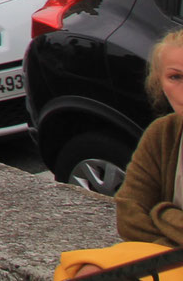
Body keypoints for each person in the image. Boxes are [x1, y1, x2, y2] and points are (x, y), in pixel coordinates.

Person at [57, 29, 183, 279]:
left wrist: (161, 214)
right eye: (175, 77)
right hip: (170, 253)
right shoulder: (163, 133)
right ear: (159, 82)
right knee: (85, 272)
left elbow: (145, 213)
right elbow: (129, 214)